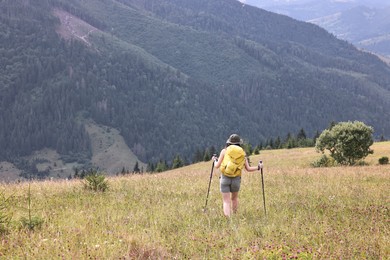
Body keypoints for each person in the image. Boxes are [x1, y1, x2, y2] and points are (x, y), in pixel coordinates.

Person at [212, 134, 261, 217]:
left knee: (226, 201)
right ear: (239, 143)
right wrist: (259, 167)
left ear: (229, 142)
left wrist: (214, 161)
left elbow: (217, 166)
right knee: (234, 199)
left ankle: (228, 219)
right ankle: (235, 216)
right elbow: (248, 169)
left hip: (225, 178)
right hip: (236, 179)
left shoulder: (224, 151)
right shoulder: (242, 153)